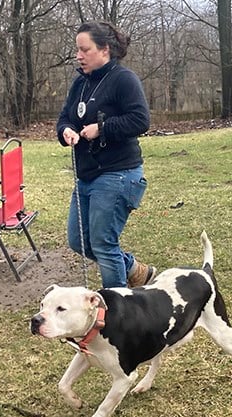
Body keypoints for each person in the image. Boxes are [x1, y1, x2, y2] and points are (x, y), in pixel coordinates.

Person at [56, 21, 156, 288]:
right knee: (78, 241)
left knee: (102, 243)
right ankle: (134, 269)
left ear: (105, 49)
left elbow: (140, 120)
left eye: (84, 49)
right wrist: (66, 130)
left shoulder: (124, 80)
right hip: (86, 176)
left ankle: (117, 311)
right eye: (77, 50)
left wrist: (102, 129)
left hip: (118, 174)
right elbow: (65, 117)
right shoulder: (81, 83)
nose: (78, 55)